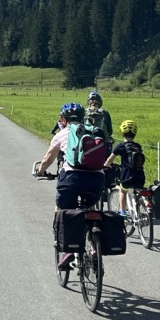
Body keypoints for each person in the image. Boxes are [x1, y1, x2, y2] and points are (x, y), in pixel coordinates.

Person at [36, 102, 109, 269]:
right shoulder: (93, 132)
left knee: (63, 210)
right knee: (90, 211)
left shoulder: (62, 134)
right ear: (83, 117)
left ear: (63, 119)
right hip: (97, 180)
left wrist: (40, 171)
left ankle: (66, 250)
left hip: (71, 179)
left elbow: (48, 159)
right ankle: (94, 250)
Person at [108, 119, 146, 215]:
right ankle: (137, 213)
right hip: (140, 175)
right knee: (137, 192)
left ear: (122, 132)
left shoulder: (120, 146)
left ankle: (123, 212)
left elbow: (110, 160)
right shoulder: (138, 146)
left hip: (127, 175)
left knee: (123, 191)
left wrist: (106, 165)